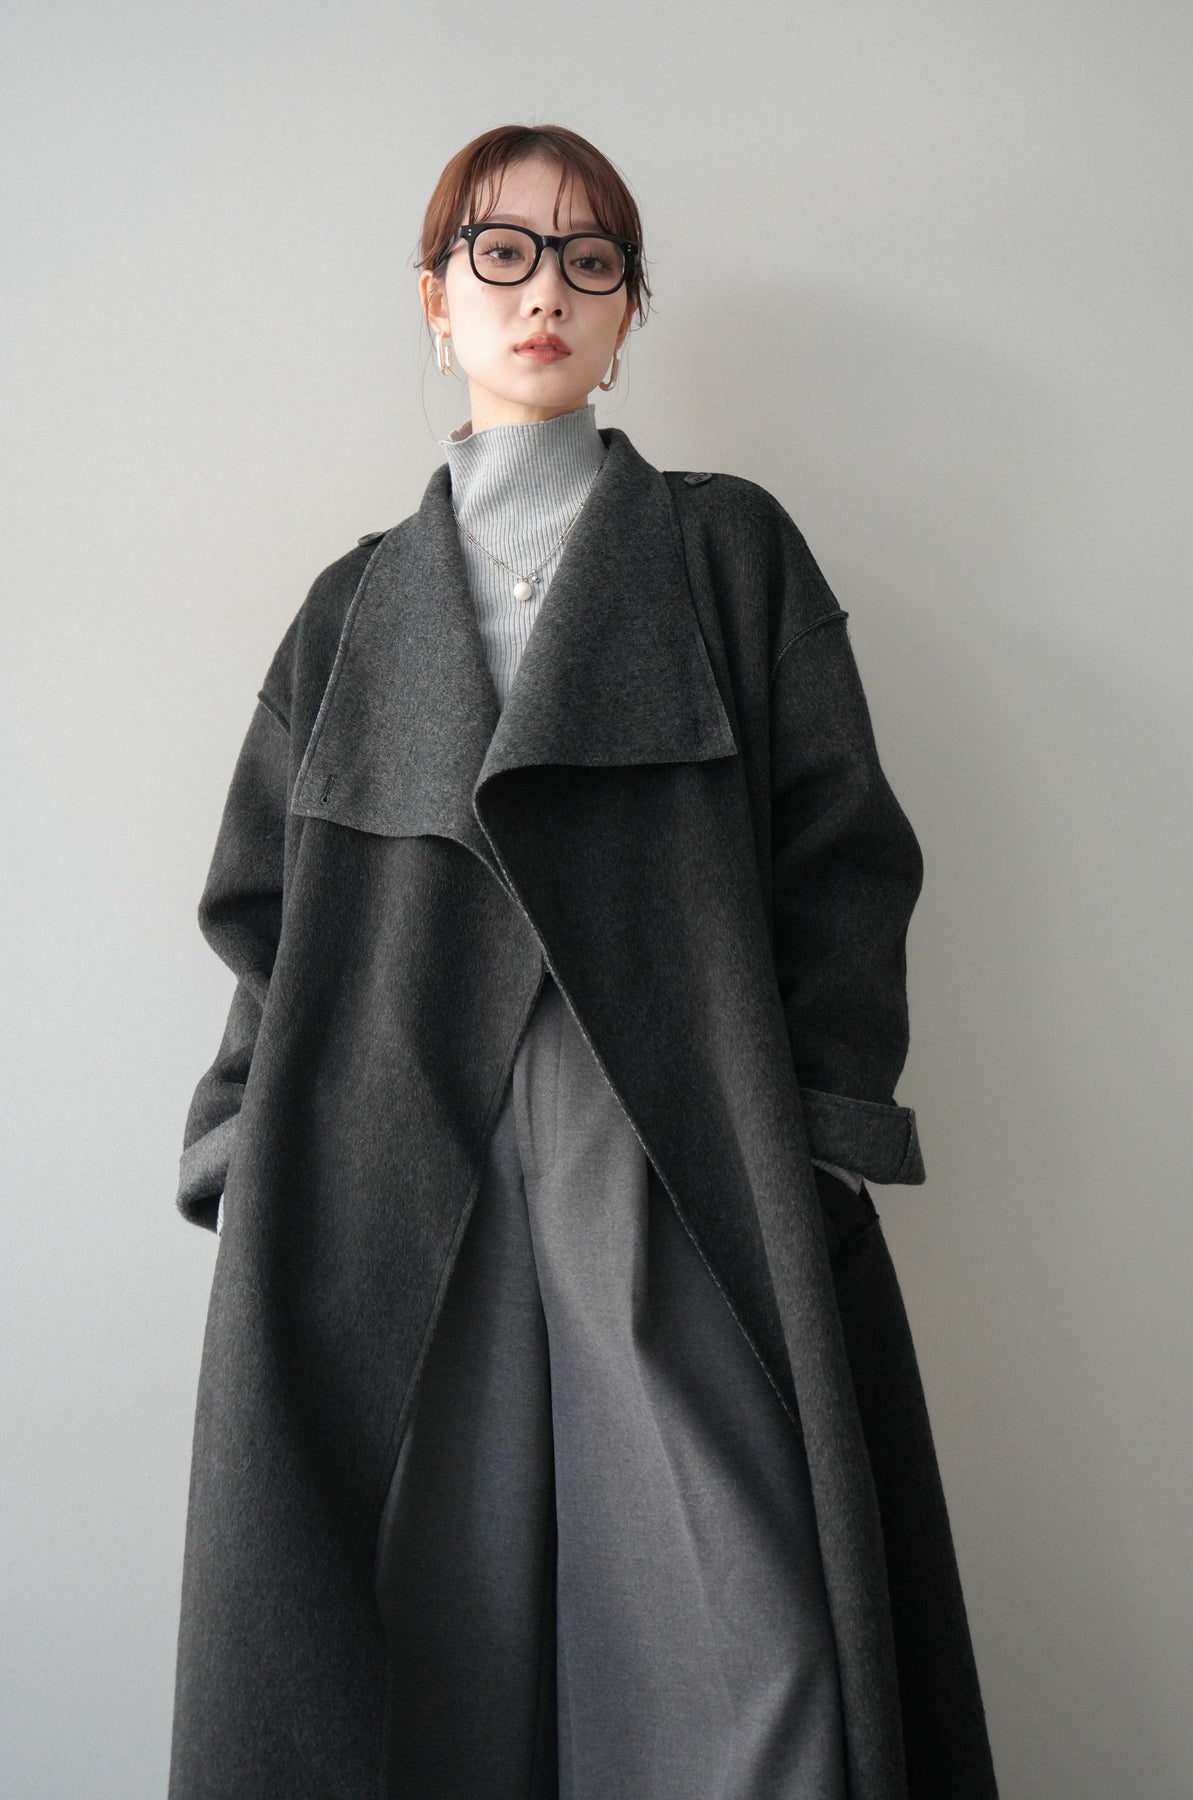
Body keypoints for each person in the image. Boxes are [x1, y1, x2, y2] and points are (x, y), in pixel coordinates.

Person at [169, 124, 997, 1800]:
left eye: (589, 258)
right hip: (397, 1162)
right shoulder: (350, 609)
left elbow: (845, 857)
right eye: (502, 251)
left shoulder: (724, 552)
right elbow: (266, 907)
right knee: (416, 1618)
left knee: (745, 1632)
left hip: (674, 1144)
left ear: (626, 316)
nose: (543, 290)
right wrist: (249, 1141)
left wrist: (818, 1131)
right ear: (434, 299)